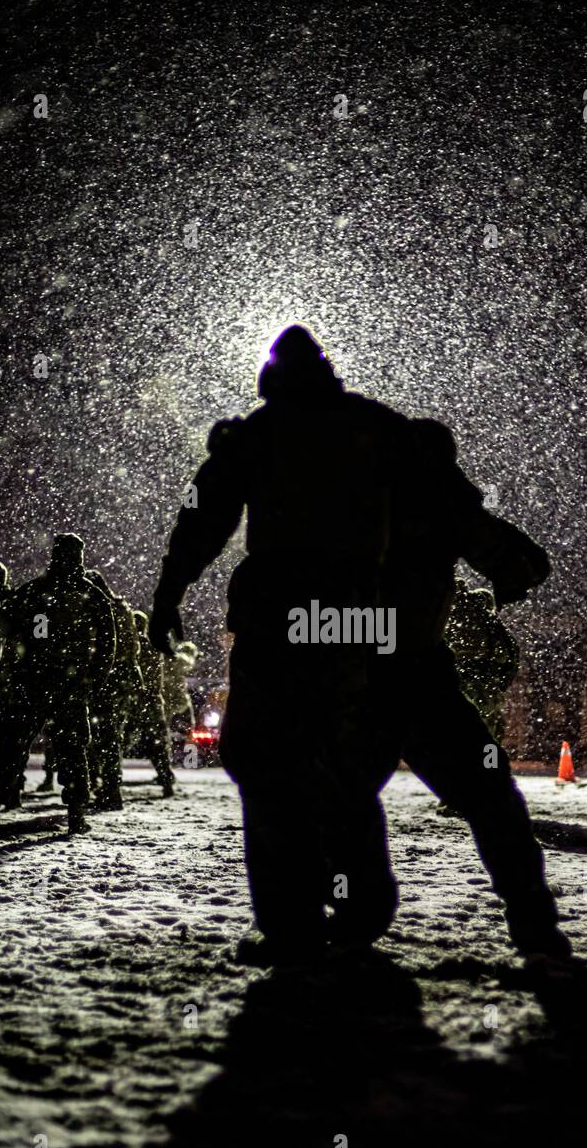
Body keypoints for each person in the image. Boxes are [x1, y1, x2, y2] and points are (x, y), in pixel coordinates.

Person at [149, 325, 407, 961]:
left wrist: (168, 595)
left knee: (266, 763)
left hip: (281, 621)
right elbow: (431, 513)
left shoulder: (258, 436)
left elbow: (202, 521)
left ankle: (292, 920)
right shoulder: (375, 427)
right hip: (357, 618)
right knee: (343, 755)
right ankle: (361, 902)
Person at [371, 417, 572, 960]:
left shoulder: (348, 494)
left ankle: (342, 914)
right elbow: (523, 562)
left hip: (352, 673)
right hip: (417, 670)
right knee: (489, 795)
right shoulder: (440, 497)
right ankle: (531, 913)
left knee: (337, 799)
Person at [0, 533, 116, 834]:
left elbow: (1, 624)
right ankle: (75, 812)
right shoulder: (88, 594)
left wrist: (15, 662)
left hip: (36, 681)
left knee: (16, 745)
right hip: (66, 684)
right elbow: (107, 642)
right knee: (71, 749)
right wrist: (93, 679)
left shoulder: (35, 590)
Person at [86, 570, 140, 811]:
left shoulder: (98, 608)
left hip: (103, 678)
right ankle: (109, 786)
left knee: (100, 736)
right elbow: (133, 647)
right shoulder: (122, 608)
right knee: (110, 736)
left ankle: (105, 787)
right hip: (120, 680)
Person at [444, 577, 519, 740]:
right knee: (489, 725)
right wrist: (500, 682)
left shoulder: (444, 616)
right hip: (485, 679)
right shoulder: (487, 618)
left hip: (455, 678)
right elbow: (511, 653)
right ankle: (486, 762)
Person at [125, 610, 176, 798]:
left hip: (133, 700)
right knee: (158, 745)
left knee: (114, 741)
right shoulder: (155, 645)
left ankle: (107, 783)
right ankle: (166, 780)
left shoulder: (132, 645)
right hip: (153, 701)